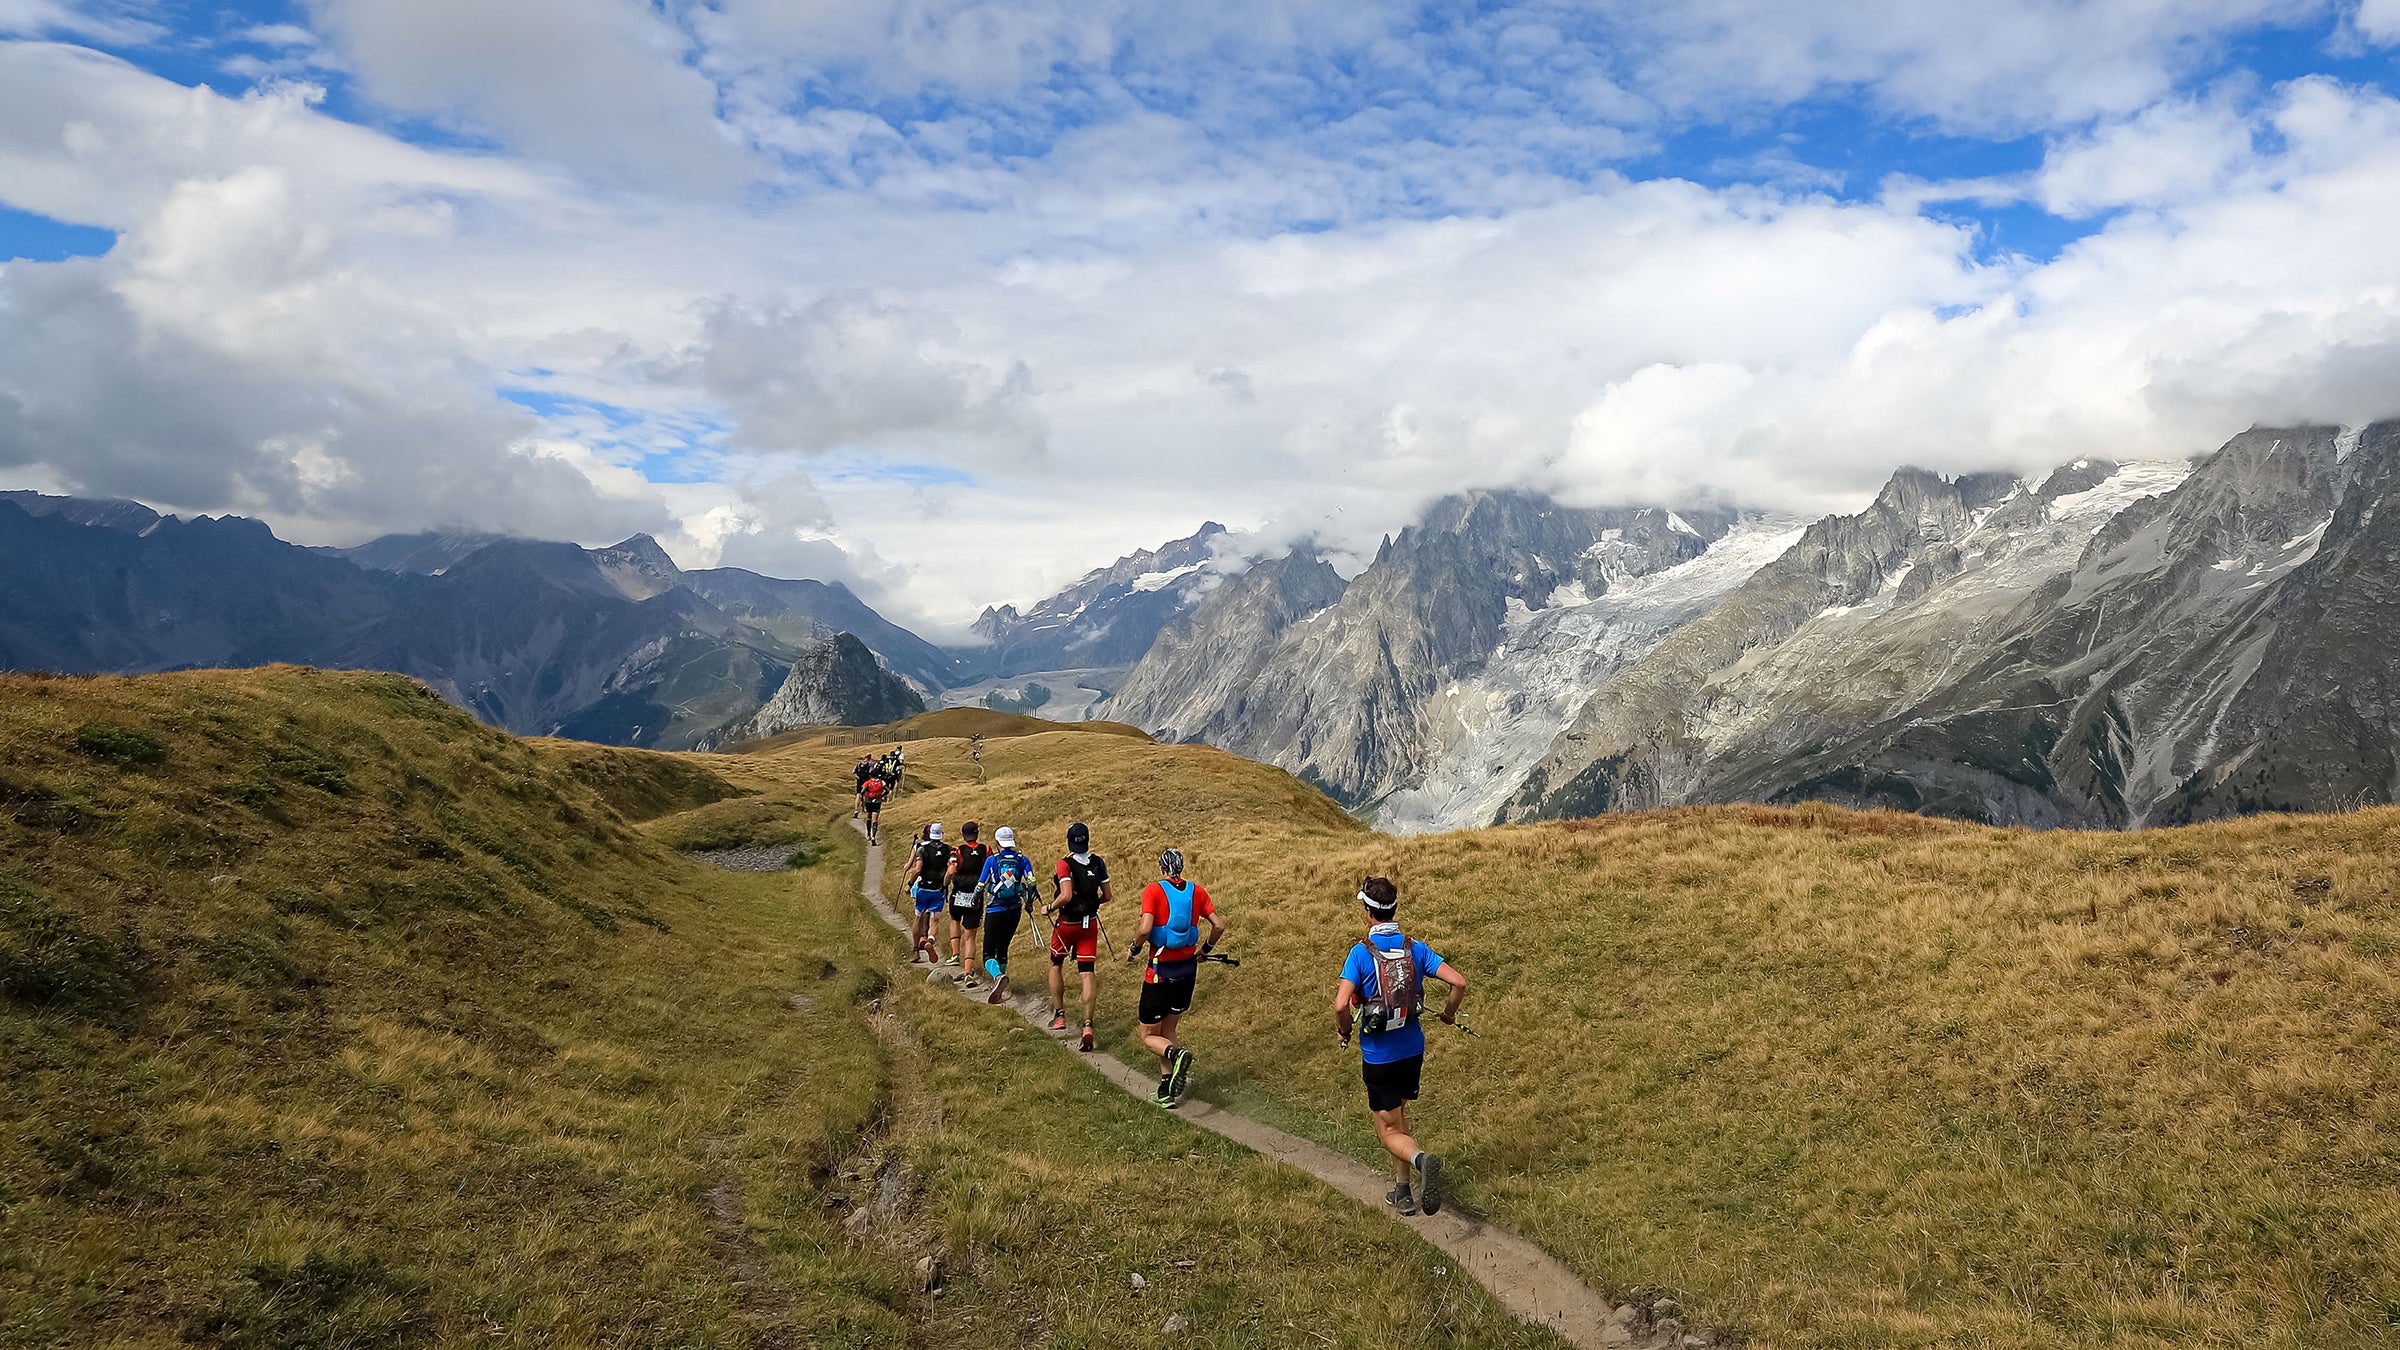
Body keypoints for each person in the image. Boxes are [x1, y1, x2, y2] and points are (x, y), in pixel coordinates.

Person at [1333, 876, 1466, 1218]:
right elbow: (1458, 982)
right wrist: (1449, 1015)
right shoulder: (1415, 948)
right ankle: (1403, 1190)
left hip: (1380, 1055)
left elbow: (1340, 1005)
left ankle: (1422, 1160)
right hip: (1412, 1049)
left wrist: (1345, 1032)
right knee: (1399, 1117)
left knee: (1388, 1127)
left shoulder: (1361, 953)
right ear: (1393, 908)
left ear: (1368, 912)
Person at [1125, 847, 1224, 1107]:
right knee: (1168, 1029)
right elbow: (1219, 924)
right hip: (1188, 970)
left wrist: (1134, 948)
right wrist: (1205, 950)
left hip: (1159, 972)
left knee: (1148, 1034)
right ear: (1182, 866)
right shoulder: (1197, 891)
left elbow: (1146, 928)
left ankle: (1177, 1054)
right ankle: (1166, 1091)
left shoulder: (1153, 891)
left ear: (1162, 868)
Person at [1045, 821, 1111, 1052]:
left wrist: (1049, 908)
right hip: (1089, 924)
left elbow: (1064, 895)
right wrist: (1091, 904)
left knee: (1056, 964)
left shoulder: (1064, 864)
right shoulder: (1098, 862)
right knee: (1087, 972)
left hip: (1066, 923)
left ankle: (1060, 1015)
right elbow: (1107, 895)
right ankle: (1087, 1025)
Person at [976, 827, 1038, 1004]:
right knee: (1003, 948)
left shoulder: (991, 860)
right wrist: (1029, 904)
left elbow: (980, 885)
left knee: (988, 953)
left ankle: (997, 976)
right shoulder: (1023, 860)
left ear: (997, 843)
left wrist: (975, 902)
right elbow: (1032, 883)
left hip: (995, 909)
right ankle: (1000, 989)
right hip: (1014, 910)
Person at [946, 821, 993, 986]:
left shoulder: (956, 851)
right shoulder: (986, 849)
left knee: (954, 920)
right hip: (976, 894)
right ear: (977, 834)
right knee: (970, 934)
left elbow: (952, 870)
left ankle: (954, 955)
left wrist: (945, 883)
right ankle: (968, 970)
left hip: (959, 892)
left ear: (963, 835)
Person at [904, 823, 951, 964]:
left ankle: (916, 950)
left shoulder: (922, 849)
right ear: (941, 834)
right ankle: (930, 939)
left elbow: (917, 869)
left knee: (918, 917)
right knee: (934, 920)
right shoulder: (948, 849)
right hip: (938, 889)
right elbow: (951, 869)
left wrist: (910, 884)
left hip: (923, 888)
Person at [859, 771, 887, 844]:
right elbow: (887, 790)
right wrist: (882, 795)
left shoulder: (867, 782)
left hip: (868, 801)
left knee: (868, 817)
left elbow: (862, 792)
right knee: (875, 819)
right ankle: (873, 836)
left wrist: (863, 800)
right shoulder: (882, 782)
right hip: (877, 801)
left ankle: (868, 834)